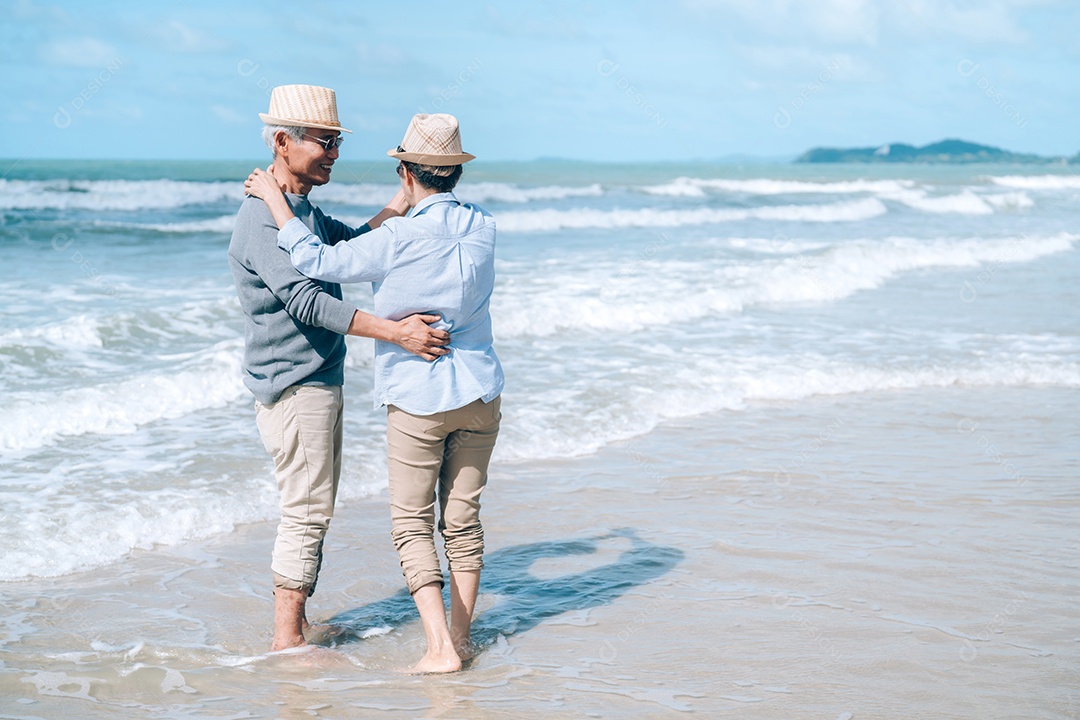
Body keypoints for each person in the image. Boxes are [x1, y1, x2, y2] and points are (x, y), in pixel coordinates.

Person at [245, 113, 503, 673]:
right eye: (328, 141)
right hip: (481, 389)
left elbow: (319, 262)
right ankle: (459, 639)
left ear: (406, 170)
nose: (333, 150)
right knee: (463, 520)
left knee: (411, 522)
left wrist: (274, 200)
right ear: (456, 173)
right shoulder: (482, 224)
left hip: (419, 394)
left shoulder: (392, 237)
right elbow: (362, 246)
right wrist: (405, 193)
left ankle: (438, 650)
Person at [228, 86, 450, 652]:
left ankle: (297, 625)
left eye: (336, 143)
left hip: (318, 378)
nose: (331, 153)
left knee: (315, 504)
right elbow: (309, 301)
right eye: (322, 142)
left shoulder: (301, 209)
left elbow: (348, 249)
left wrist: (400, 204)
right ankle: (286, 641)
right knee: (305, 507)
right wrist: (396, 330)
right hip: (294, 384)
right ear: (283, 142)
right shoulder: (261, 219)